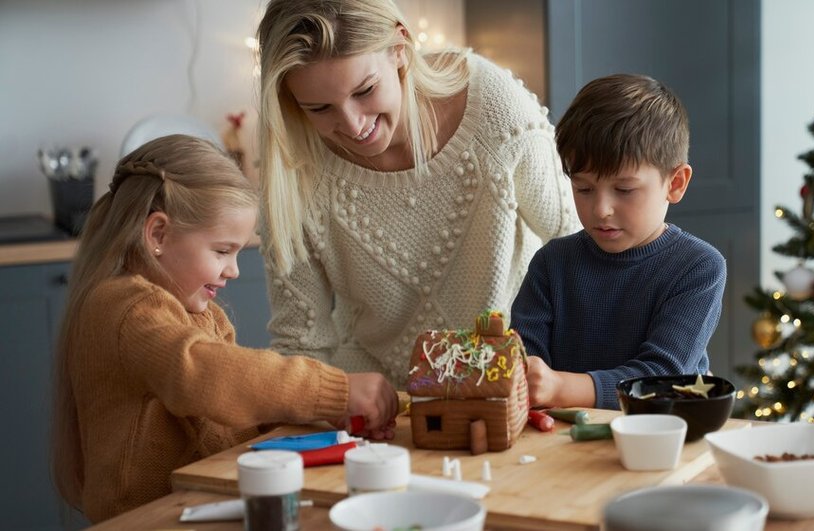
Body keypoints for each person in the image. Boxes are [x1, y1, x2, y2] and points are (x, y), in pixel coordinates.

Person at [51, 135, 398, 523]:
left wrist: (319, 423)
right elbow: (201, 375)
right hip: (144, 519)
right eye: (221, 251)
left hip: (196, 504)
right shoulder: (124, 306)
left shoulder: (202, 314)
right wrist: (334, 392)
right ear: (158, 235)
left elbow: (232, 411)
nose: (233, 270)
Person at [254, 0, 579, 386]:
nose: (353, 125)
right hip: (371, 402)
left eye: (365, 90)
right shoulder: (295, 172)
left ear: (400, 48)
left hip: (506, 383)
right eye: (320, 108)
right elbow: (300, 345)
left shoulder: (491, 106)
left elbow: (575, 246)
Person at [511, 74, 727, 411]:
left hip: (664, 442)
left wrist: (560, 388)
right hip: (562, 444)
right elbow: (525, 361)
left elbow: (663, 377)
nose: (601, 209)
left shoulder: (698, 267)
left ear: (676, 183)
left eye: (624, 190)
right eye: (583, 189)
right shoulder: (552, 263)